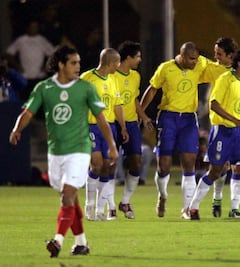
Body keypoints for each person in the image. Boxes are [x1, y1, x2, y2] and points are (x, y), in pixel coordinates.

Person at [8, 45, 119, 257]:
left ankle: (57, 241)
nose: (78, 67)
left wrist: (112, 146)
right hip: (56, 151)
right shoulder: (44, 88)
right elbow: (28, 112)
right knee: (70, 198)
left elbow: (102, 118)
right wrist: (16, 129)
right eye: (73, 63)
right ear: (61, 65)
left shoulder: (85, 88)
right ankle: (81, 243)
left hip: (79, 149)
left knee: (67, 194)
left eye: (78, 63)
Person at [188, 49, 240, 220]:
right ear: (239, 63)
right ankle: (193, 207)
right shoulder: (225, 79)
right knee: (216, 171)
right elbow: (214, 104)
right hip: (223, 132)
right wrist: (236, 120)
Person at [140, 42, 212, 219]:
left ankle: (186, 208)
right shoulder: (165, 68)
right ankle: (162, 196)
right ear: (181, 55)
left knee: (189, 162)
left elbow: (219, 68)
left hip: (188, 118)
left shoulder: (200, 64)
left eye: (196, 59)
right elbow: (152, 90)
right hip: (168, 117)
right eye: (191, 59)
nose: (194, 62)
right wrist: (141, 114)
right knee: (163, 165)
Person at [81, 48, 129, 221]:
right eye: (117, 63)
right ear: (110, 63)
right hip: (91, 126)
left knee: (108, 166)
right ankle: (89, 205)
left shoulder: (113, 79)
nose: (118, 66)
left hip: (109, 128)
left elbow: (117, 105)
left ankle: (101, 209)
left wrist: (123, 127)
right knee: (96, 164)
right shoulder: (87, 79)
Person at [112, 40, 153, 219]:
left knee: (136, 162)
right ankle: (107, 204)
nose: (140, 59)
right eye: (137, 56)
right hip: (112, 123)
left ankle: (125, 201)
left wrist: (144, 118)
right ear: (127, 57)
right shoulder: (112, 75)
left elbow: (134, 99)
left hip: (131, 124)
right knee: (108, 164)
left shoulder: (135, 76)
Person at [5, 19, 55, 101]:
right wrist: (17, 66)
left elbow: (53, 54)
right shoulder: (21, 40)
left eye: (35, 27)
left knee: (40, 101)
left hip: (39, 77)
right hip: (25, 77)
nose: (34, 29)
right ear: (28, 28)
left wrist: (46, 65)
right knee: (26, 101)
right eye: (32, 27)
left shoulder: (42, 40)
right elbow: (8, 54)